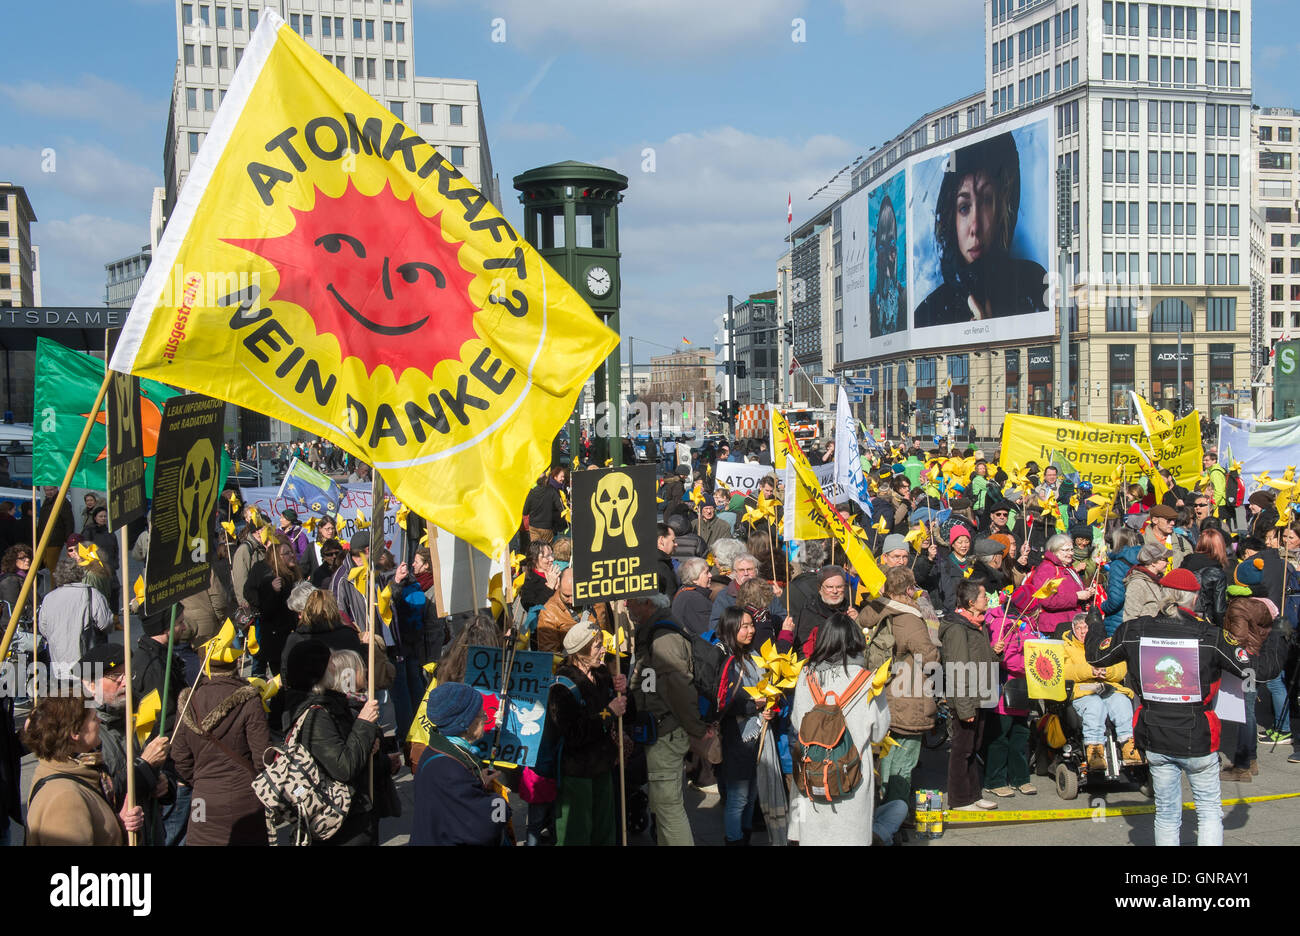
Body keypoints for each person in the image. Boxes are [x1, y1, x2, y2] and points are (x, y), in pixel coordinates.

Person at [1088, 579, 1248, 846]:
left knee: (1166, 813)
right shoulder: (1210, 634)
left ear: (1163, 595)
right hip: (1198, 737)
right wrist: (1277, 636)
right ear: (1194, 600)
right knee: (1208, 811)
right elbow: (1253, 669)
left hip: (1157, 735)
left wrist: (1095, 622)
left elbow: (1096, 655)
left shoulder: (1134, 630)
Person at [913, 131, 1048, 328]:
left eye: (986, 201)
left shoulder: (1034, 282)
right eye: (964, 208)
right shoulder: (928, 313)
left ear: (1002, 208)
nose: (975, 227)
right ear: (951, 216)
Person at [789, 611, 890, 845]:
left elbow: (797, 722)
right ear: (856, 640)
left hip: (813, 770)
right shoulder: (869, 680)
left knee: (814, 837)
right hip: (851, 774)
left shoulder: (807, 675)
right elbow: (879, 733)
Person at [171, 632, 271, 845]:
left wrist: (200, 779)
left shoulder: (189, 702)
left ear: (203, 664)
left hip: (203, 800)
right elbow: (263, 756)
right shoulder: (250, 699)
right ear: (235, 662)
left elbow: (180, 757)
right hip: (245, 799)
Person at [628, 591, 712, 846]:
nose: (626, 605)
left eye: (631, 600)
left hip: (666, 732)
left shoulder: (663, 638)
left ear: (648, 604)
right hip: (663, 730)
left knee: (668, 809)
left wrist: (696, 731)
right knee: (663, 808)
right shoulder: (655, 633)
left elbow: (680, 688)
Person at [289, 645, 382, 845]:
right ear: (319, 672)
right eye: (330, 663)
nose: (335, 668)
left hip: (350, 813)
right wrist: (364, 724)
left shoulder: (330, 703)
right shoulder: (316, 715)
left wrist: (366, 743)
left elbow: (347, 746)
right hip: (339, 819)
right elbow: (343, 766)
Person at [21, 694, 143, 846]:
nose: (99, 720)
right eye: (93, 718)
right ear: (75, 733)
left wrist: (120, 825)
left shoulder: (66, 770)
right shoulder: (65, 799)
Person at [546, 620, 627, 846]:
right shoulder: (561, 685)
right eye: (597, 646)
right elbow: (573, 734)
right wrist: (608, 713)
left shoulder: (600, 675)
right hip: (577, 774)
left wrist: (622, 689)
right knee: (576, 834)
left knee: (605, 832)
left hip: (602, 767)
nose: (603, 650)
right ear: (580, 652)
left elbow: (625, 714)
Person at [868, 567, 939, 805]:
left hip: (878, 692)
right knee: (903, 761)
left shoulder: (872, 610)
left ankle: (881, 811)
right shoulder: (909, 618)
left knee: (885, 756)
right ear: (909, 590)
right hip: (907, 697)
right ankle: (894, 818)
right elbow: (929, 658)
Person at [410, 683, 509, 845]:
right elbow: (482, 827)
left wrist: (478, 782)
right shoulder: (450, 769)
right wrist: (501, 803)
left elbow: (453, 805)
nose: (486, 716)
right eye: (479, 714)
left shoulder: (437, 749)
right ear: (465, 723)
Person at [940, 580, 1000, 811]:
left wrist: (995, 654)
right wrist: (964, 708)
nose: (988, 600)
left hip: (980, 695)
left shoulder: (978, 625)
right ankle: (959, 799)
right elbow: (958, 669)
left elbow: (981, 659)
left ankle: (974, 794)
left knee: (973, 748)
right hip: (965, 699)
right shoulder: (957, 628)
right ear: (972, 602)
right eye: (984, 596)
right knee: (961, 750)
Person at [714, 606, 770, 845]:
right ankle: (734, 839)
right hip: (735, 736)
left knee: (752, 793)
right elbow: (721, 702)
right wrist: (752, 706)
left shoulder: (753, 654)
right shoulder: (723, 658)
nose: (750, 630)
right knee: (738, 796)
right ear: (731, 627)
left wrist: (769, 705)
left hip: (756, 732)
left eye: (751, 625)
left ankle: (744, 836)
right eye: (744, 626)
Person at [1062, 613, 1139, 770]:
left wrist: (1106, 671)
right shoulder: (1066, 647)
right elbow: (1065, 671)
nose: (1083, 631)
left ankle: (1128, 745)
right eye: (1079, 628)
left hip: (1107, 686)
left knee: (1121, 702)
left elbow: (1121, 667)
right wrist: (1090, 671)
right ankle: (1095, 749)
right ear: (1073, 630)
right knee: (1095, 706)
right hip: (1083, 689)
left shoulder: (1105, 644)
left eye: (1086, 627)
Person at [39, 556, 113, 683]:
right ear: (80, 574)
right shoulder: (91, 594)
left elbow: (43, 629)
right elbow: (105, 624)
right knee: (88, 700)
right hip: (87, 663)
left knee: (64, 700)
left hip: (58, 663)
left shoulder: (49, 598)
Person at [1012, 534, 1093, 636]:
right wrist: (1077, 596)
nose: (1070, 553)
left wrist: (1087, 593)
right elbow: (1047, 600)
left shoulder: (1068, 567)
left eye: (1071, 550)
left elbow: (1071, 590)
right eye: (1066, 550)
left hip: (1070, 622)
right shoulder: (1047, 569)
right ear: (1055, 551)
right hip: (1055, 627)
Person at [245, 531, 301, 677]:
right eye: (286, 553)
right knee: (278, 673)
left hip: (291, 632)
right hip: (274, 635)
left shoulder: (292, 573)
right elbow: (262, 606)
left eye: (291, 551)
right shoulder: (263, 572)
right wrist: (272, 591)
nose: (291, 555)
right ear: (276, 556)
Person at [786, 565, 856, 657]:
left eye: (839, 587)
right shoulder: (808, 612)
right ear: (820, 589)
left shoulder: (852, 610)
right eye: (830, 587)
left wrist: (857, 623)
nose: (835, 591)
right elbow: (802, 649)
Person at [870, 193, 907, 336]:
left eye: (891, 245)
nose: (887, 256)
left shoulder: (904, 297)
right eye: (881, 247)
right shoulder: (871, 302)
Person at [1179, 527, 1230, 628]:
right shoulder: (1216, 573)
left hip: (1181, 616)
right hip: (1204, 621)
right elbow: (1219, 609)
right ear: (1220, 547)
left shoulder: (1185, 564)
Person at [1122, 542, 1170, 623]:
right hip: (1143, 633)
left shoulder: (1159, 580)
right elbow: (1130, 619)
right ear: (1153, 563)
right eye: (1165, 559)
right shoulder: (1137, 584)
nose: (1168, 563)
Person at [536, 568, 579, 653]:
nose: (571, 601)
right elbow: (549, 653)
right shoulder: (549, 612)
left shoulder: (597, 603)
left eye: (575, 595)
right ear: (558, 584)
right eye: (566, 596)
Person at [524, 465, 568, 544]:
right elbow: (561, 508)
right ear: (545, 480)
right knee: (547, 549)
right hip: (546, 527)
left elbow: (525, 512)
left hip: (533, 526)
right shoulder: (552, 491)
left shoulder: (531, 493)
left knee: (536, 549)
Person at [35, 486, 74, 573]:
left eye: (51, 490)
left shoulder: (62, 502)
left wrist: (68, 539)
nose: (49, 492)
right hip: (45, 539)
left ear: (56, 489)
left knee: (52, 567)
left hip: (54, 539)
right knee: (47, 564)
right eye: (47, 490)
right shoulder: (47, 501)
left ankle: (54, 586)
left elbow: (68, 521)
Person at [671, 557, 713, 636]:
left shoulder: (685, 592)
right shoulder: (694, 599)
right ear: (694, 579)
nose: (710, 575)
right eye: (706, 572)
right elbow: (707, 633)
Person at [519, 540, 559, 611]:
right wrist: (550, 587)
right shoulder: (528, 582)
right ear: (534, 559)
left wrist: (560, 588)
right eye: (547, 556)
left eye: (552, 555)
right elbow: (532, 608)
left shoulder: (556, 573)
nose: (552, 559)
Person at [655, 523, 679, 597]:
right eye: (673, 541)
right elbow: (670, 596)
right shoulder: (662, 567)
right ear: (661, 540)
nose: (676, 544)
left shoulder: (644, 561)